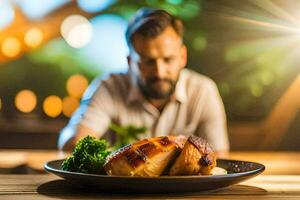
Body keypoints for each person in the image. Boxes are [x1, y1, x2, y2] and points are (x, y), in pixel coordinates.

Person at [58, 8, 229, 156]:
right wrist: (78, 141)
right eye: (148, 61)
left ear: (182, 56)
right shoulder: (109, 87)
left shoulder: (203, 90)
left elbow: (219, 157)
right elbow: (71, 143)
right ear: (130, 62)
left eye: (168, 60)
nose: (160, 72)